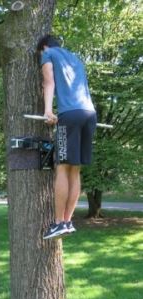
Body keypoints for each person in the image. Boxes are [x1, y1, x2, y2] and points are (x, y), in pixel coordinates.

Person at [37, 35, 97, 240]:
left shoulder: (47, 53)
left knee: (62, 166)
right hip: (89, 114)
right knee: (75, 169)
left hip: (69, 115)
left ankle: (58, 223)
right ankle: (68, 222)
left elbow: (49, 81)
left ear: (44, 47)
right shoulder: (75, 58)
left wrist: (47, 110)